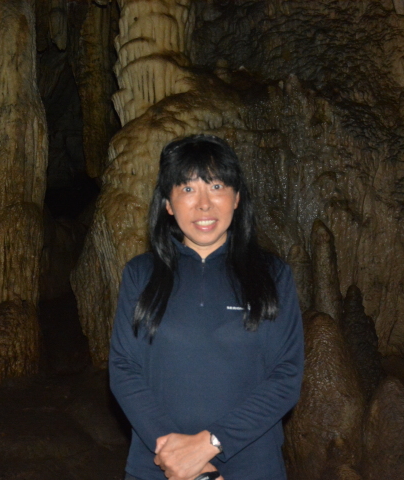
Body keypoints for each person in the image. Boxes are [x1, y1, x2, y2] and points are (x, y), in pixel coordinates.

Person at [108, 135, 304, 480]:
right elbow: (124, 369)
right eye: (187, 189)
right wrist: (180, 458)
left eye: (216, 186)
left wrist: (210, 444)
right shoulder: (141, 274)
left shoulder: (272, 275)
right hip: (157, 464)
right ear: (168, 204)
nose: (203, 205)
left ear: (237, 197)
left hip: (251, 465)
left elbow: (286, 375)